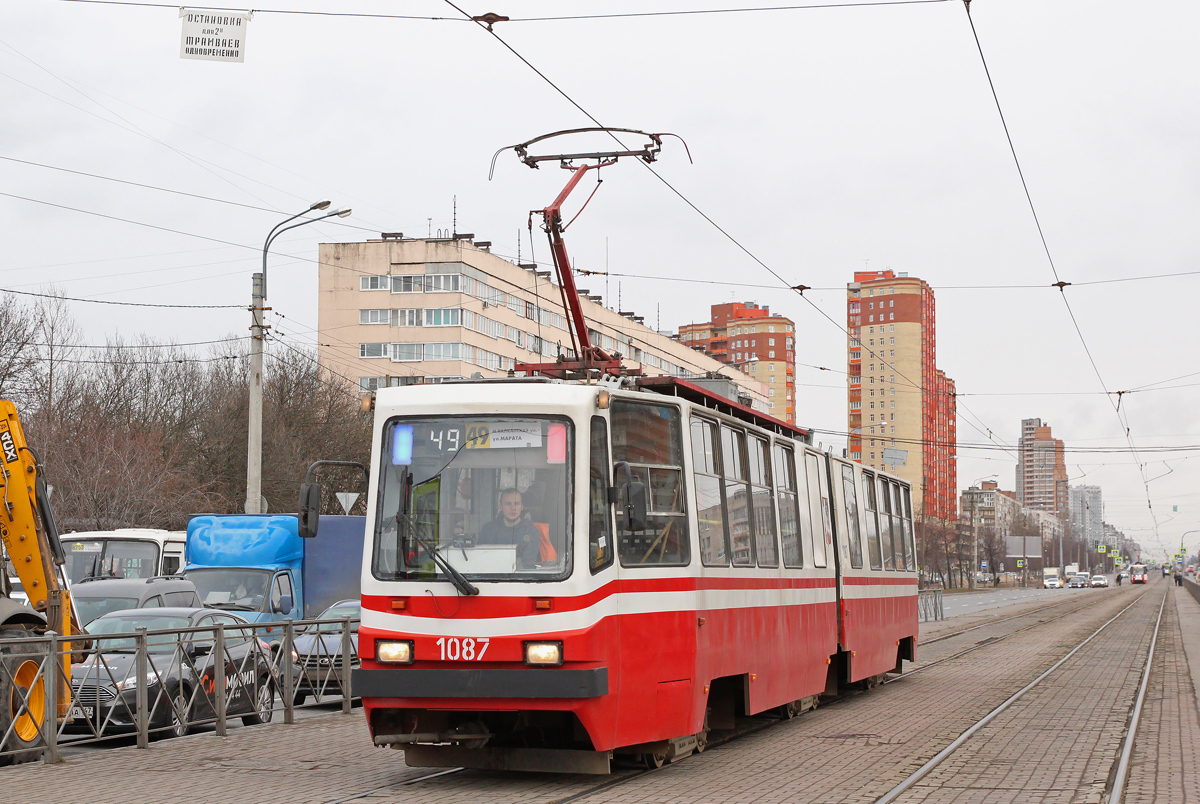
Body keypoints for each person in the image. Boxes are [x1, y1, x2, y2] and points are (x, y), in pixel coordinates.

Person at [478, 488, 542, 567]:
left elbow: (527, 566)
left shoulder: (531, 532)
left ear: (522, 507)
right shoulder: (487, 530)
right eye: (508, 504)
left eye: (516, 504)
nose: (513, 508)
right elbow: (480, 560)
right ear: (500, 506)